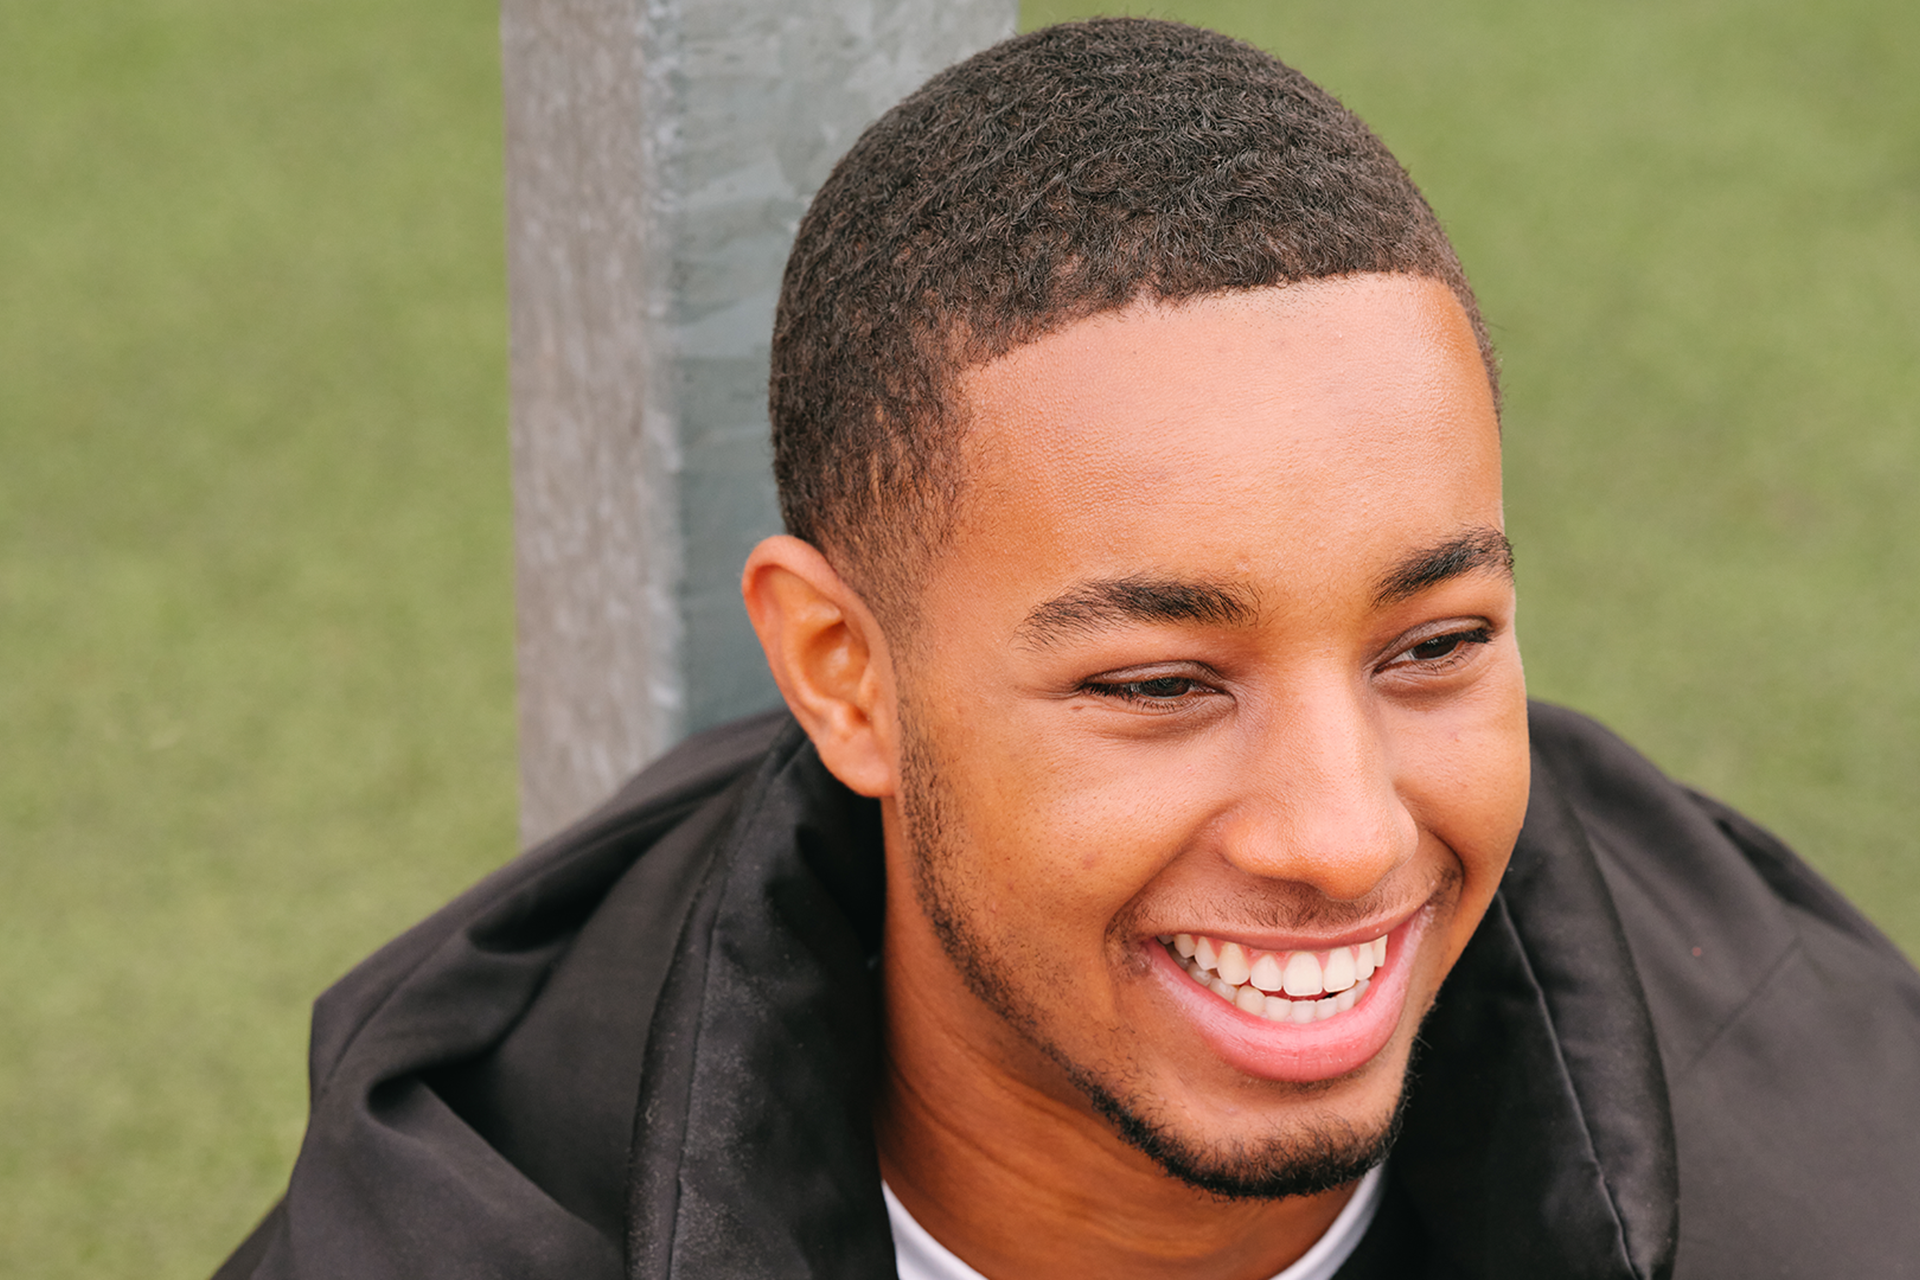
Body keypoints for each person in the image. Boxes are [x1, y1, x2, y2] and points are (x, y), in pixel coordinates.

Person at [214, 19, 1920, 1280]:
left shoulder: (1849, 1168)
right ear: (841, 672)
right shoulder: (443, 1223)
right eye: (1162, 683)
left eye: (1431, 646)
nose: (1339, 835)